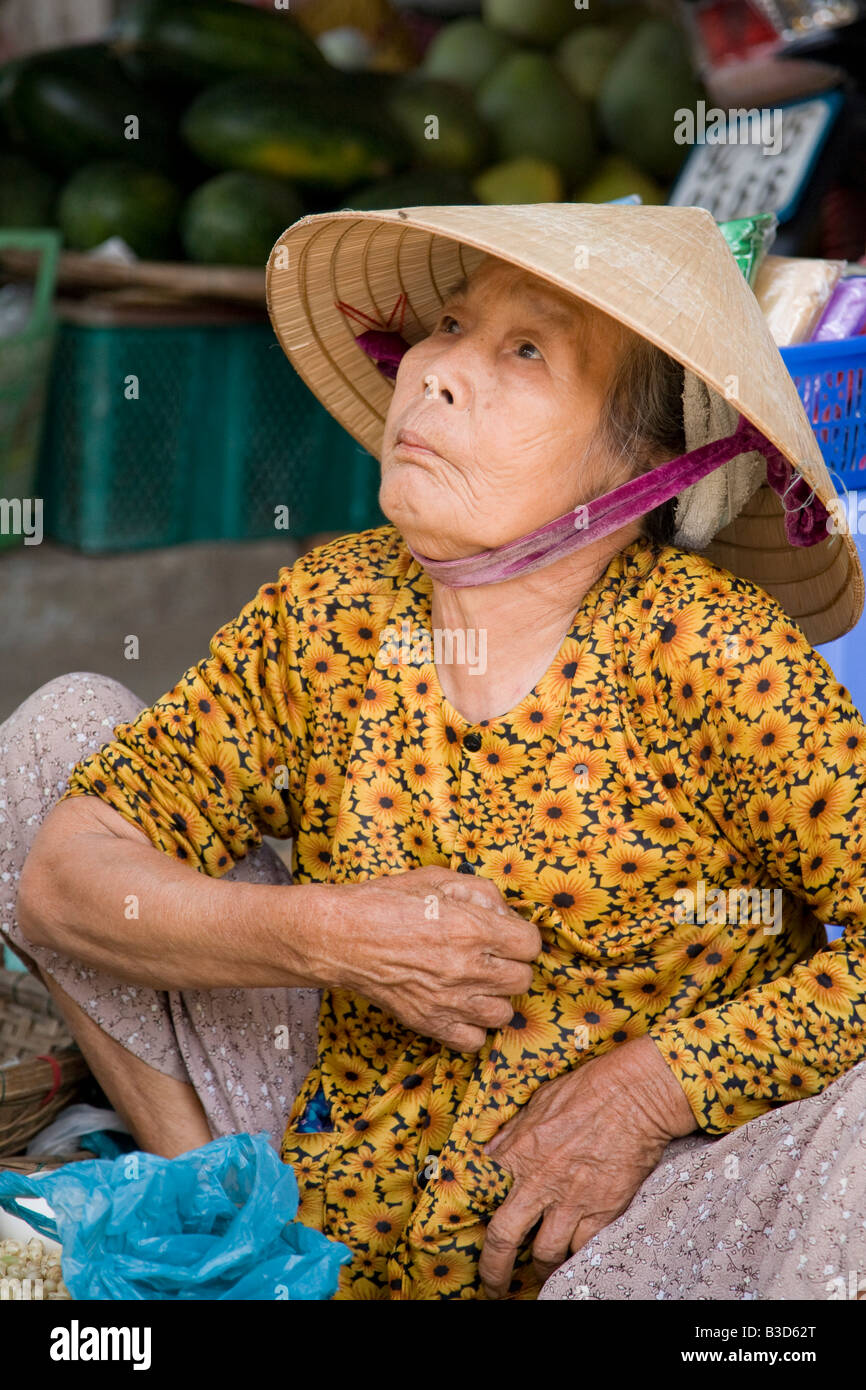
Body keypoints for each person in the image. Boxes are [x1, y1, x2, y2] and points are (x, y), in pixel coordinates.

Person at [6, 202, 866, 1301]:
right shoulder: (335, 605)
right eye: (446, 325)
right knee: (58, 737)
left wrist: (649, 1090)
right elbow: (67, 877)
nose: (438, 373)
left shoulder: (716, 657)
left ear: (640, 463)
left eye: (523, 350)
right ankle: (229, 1227)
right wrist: (323, 935)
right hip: (320, 1151)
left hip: (622, 1231)